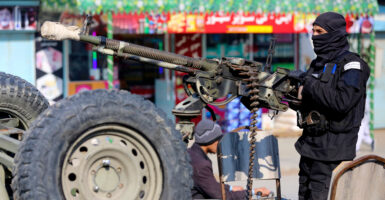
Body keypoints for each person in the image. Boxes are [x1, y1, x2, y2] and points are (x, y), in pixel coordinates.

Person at [288, 12, 370, 200]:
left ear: (335, 34)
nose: (315, 36)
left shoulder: (352, 65)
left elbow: (341, 102)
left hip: (332, 152)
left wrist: (307, 83)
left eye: (320, 31)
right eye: (313, 31)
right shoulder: (318, 64)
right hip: (309, 147)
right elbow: (314, 99)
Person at [188, 119, 270, 199]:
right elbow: (221, 196)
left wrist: (230, 188)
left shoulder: (192, 153)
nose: (221, 144)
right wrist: (253, 192)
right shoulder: (201, 165)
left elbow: (208, 184)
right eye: (219, 140)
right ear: (210, 140)